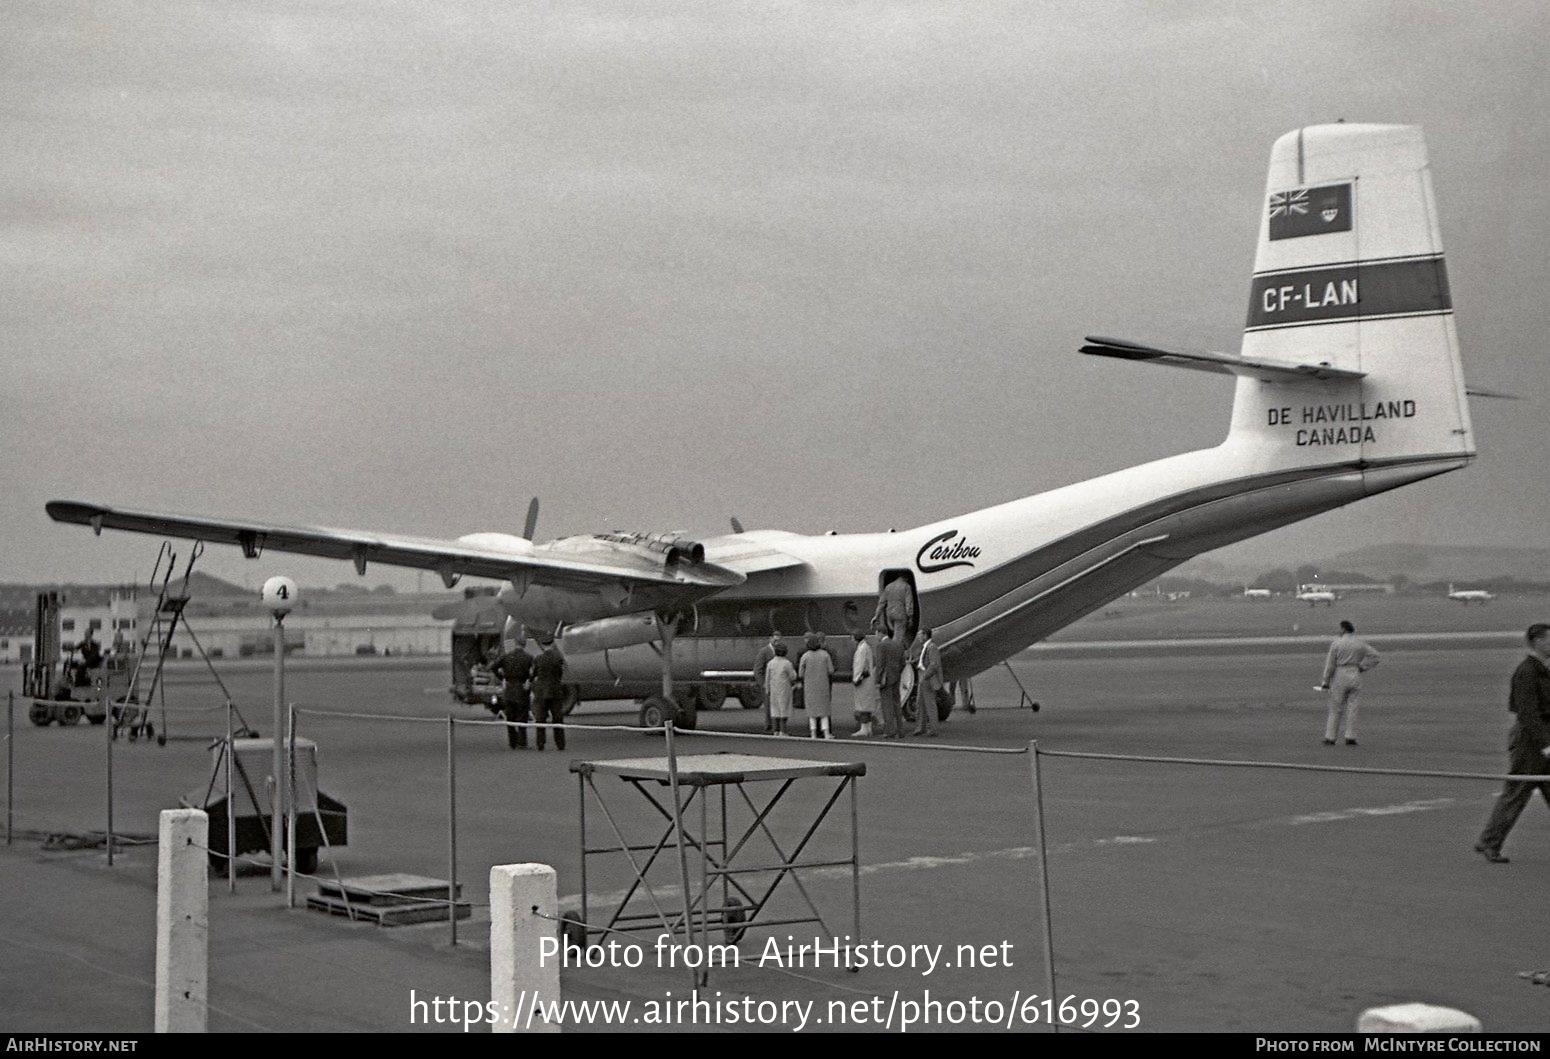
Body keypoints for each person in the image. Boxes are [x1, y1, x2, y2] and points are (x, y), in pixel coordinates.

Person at [1474, 624, 1550, 864]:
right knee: (1517, 792)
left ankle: (1489, 841)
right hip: (1531, 740)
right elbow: (1527, 712)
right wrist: (1545, 744)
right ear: (1537, 641)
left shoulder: (1541, 670)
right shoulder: (1528, 671)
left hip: (1541, 736)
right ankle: (1489, 842)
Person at [1316, 620, 1380, 746]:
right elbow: (1376, 656)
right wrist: (1362, 667)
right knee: (1353, 707)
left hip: (1341, 673)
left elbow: (1330, 665)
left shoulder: (1337, 644)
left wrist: (1326, 681)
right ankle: (1350, 736)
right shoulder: (1359, 643)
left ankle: (1331, 737)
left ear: (1344, 629)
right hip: (1355, 673)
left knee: (1336, 707)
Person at [489, 645, 533, 750]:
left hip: (509, 689)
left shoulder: (506, 657)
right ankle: (522, 743)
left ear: (515, 644)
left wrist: (502, 677)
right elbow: (534, 671)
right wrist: (529, 680)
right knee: (522, 717)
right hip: (522, 689)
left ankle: (512, 742)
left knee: (510, 717)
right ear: (524, 644)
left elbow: (493, 667)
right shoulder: (528, 657)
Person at [530, 637, 568, 751]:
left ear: (542, 646)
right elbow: (560, 674)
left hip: (541, 692)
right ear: (552, 645)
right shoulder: (558, 658)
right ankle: (560, 743)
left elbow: (533, 675)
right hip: (555, 691)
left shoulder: (538, 659)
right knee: (557, 718)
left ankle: (540, 743)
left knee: (540, 718)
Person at [798, 633, 835, 739]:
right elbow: (831, 670)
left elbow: (800, 673)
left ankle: (813, 733)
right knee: (824, 711)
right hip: (823, 685)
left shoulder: (805, 656)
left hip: (809, 686)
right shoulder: (825, 655)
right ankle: (826, 733)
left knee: (812, 712)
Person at [849, 629, 879, 738]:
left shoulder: (861, 649)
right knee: (867, 704)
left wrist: (856, 678)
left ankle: (864, 728)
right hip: (868, 679)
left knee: (863, 704)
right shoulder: (866, 647)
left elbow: (860, 665)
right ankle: (868, 728)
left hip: (863, 680)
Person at [913, 627, 942, 737]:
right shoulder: (926, 647)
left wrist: (925, 676)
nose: (919, 637)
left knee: (930, 704)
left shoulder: (932, 647)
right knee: (920, 703)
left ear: (925, 635)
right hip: (923, 677)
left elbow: (933, 665)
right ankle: (920, 727)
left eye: (920, 635)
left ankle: (933, 729)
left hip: (927, 678)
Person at [875, 633, 905, 739]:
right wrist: (897, 672)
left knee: (887, 705)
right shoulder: (898, 644)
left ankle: (889, 731)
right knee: (897, 704)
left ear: (880, 633)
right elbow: (903, 663)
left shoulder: (881, 646)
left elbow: (880, 664)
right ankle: (900, 730)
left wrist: (877, 680)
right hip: (896, 677)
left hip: (886, 679)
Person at [764, 642, 797, 736]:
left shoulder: (770, 663)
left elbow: (767, 677)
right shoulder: (787, 663)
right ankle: (783, 730)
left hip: (773, 689)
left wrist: (767, 689)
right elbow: (792, 676)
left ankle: (776, 731)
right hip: (784, 689)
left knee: (775, 710)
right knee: (784, 709)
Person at [752, 632, 783, 734]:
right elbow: (758, 669)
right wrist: (762, 683)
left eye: (778, 640)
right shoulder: (764, 652)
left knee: (777, 705)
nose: (776, 642)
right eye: (775, 640)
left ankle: (775, 726)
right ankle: (769, 726)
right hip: (767, 683)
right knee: (769, 705)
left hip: (777, 683)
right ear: (770, 639)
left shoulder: (780, 650)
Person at [873, 575, 914, 645]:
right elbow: (909, 604)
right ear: (906, 578)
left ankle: (905, 650)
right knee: (898, 637)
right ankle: (894, 651)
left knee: (900, 634)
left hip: (889, 614)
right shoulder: (906, 586)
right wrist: (910, 618)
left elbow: (881, 603)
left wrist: (876, 616)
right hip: (900, 614)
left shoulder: (888, 587)